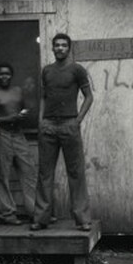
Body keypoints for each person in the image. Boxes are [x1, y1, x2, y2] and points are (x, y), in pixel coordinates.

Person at [31, 33, 93, 232]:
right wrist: (41, 121)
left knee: (75, 173)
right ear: (52, 48)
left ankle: (83, 219)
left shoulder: (77, 70)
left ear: (69, 48)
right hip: (48, 125)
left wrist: (78, 120)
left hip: (69, 125)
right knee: (44, 173)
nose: (60, 48)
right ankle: (41, 219)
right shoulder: (47, 71)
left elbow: (89, 97)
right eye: (56, 45)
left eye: (63, 45)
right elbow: (43, 97)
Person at [0, 62, 37, 225]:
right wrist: (7, 119)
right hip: (1, 135)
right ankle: (8, 214)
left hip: (18, 135)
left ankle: (34, 212)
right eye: (1, 74)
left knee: (29, 172)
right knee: (2, 175)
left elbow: (28, 108)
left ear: (11, 75)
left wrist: (24, 114)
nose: (4, 76)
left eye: (7, 74)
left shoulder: (18, 91)